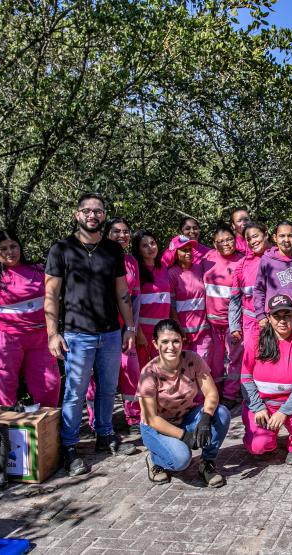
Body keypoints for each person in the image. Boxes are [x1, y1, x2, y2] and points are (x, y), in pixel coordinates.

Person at [45, 193, 137, 477]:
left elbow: (122, 291)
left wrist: (130, 327)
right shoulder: (61, 249)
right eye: (86, 210)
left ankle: (105, 436)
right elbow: (51, 294)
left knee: (108, 389)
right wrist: (52, 333)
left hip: (110, 333)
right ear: (77, 215)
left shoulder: (113, 249)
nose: (92, 215)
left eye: (98, 211)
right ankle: (69, 447)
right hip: (77, 334)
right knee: (74, 393)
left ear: (104, 215)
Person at [0, 230, 60, 407]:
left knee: (49, 385)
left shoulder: (39, 270)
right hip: (4, 340)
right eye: (3, 249)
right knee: (4, 388)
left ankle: (47, 424)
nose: (10, 252)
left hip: (39, 338)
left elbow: (53, 298)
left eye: (13, 246)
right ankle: (7, 425)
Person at [138, 319, 229, 487]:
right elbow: (152, 419)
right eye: (165, 342)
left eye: (175, 341)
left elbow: (211, 393)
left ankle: (207, 463)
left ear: (182, 341)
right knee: (181, 460)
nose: (171, 347)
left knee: (221, 413)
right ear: (155, 344)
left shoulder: (192, 359)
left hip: (185, 417)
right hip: (157, 427)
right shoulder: (148, 373)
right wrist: (184, 436)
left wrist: (206, 418)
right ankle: (155, 459)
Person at [240, 295, 292, 464]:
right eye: (277, 316)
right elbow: (245, 378)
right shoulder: (256, 338)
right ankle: (266, 436)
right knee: (259, 446)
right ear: (269, 317)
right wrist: (257, 407)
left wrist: (284, 412)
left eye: (287, 315)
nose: (282, 321)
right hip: (263, 404)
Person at [85, 218, 142, 433]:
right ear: (106, 234)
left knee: (131, 372)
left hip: (124, 330)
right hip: (98, 330)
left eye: (126, 231)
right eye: (116, 231)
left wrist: (131, 329)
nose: (122, 235)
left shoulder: (131, 261)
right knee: (96, 376)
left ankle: (134, 418)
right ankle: (96, 422)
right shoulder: (94, 257)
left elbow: (135, 299)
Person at [204, 226, 244, 408]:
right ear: (214, 243)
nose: (226, 244)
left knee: (235, 359)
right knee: (215, 361)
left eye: (229, 239)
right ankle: (216, 392)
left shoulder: (242, 261)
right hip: (212, 323)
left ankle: (230, 394)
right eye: (221, 241)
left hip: (232, 323)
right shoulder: (207, 258)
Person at [132, 230, 177, 367]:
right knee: (144, 370)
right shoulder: (136, 270)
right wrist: (139, 333)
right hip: (144, 332)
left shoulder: (163, 267)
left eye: (152, 243)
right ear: (138, 250)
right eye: (145, 245)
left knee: (164, 369)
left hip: (163, 331)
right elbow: (132, 305)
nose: (150, 248)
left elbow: (175, 247)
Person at [229, 222, 269, 368]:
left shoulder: (279, 257)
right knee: (251, 361)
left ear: (266, 234)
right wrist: (234, 325)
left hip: (279, 322)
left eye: (255, 236)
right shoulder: (242, 264)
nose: (253, 241)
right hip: (252, 324)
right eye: (248, 239)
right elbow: (235, 298)